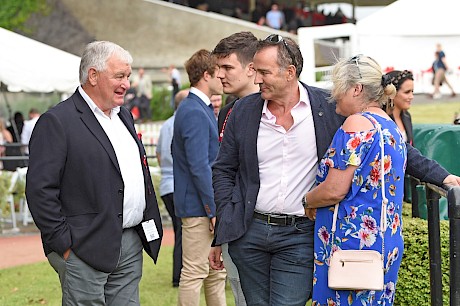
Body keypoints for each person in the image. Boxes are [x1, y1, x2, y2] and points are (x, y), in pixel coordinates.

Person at [212, 34, 460, 306]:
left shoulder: (331, 107)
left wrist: (443, 177)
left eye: (263, 72)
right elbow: (224, 169)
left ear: (290, 72)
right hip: (250, 234)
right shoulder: (242, 110)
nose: (256, 79)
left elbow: (392, 145)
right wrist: (226, 220)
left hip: (299, 234)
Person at [25, 41, 163, 305]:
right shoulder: (57, 121)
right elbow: (40, 190)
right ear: (93, 75)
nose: (127, 83)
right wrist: (64, 246)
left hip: (130, 241)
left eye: (128, 76)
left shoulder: (124, 116)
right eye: (119, 76)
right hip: (83, 249)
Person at [303, 55, 405, 305]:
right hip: (384, 241)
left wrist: (308, 200)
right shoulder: (389, 125)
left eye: (338, 86)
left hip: (352, 248)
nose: (333, 94)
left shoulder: (356, 123)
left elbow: (335, 189)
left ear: (356, 89)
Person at [172, 49, 227, 306]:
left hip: (202, 205)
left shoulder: (198, 107)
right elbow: (199, 166)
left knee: (216, 273)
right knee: (195, 272)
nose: (223, 77)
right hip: (198, 208)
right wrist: (212, 209)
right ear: (206, 75)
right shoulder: (193, 110)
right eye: (219, 73)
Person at [209, 30, 260, 306]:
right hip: (235, 226)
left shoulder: (273, 109)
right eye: (218, 68)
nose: (219, 74)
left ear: (251, 68)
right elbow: (224, 172)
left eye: (227, 67)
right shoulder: (228, 112)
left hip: (269, 226)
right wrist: (222, 234)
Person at [156, 88, 189, 288]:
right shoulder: (186, 122)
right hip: (181, 184)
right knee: (184, 233)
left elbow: (159, 154)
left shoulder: (166, 124)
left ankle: (179, 274)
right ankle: (180, 275)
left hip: (167, 185)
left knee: (180, 232)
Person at [385, 70, 415, 145]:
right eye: (407, 92)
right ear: (392, 93)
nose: (411, 97)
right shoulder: (382, 119)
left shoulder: (407, 116)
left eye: (412, 92)